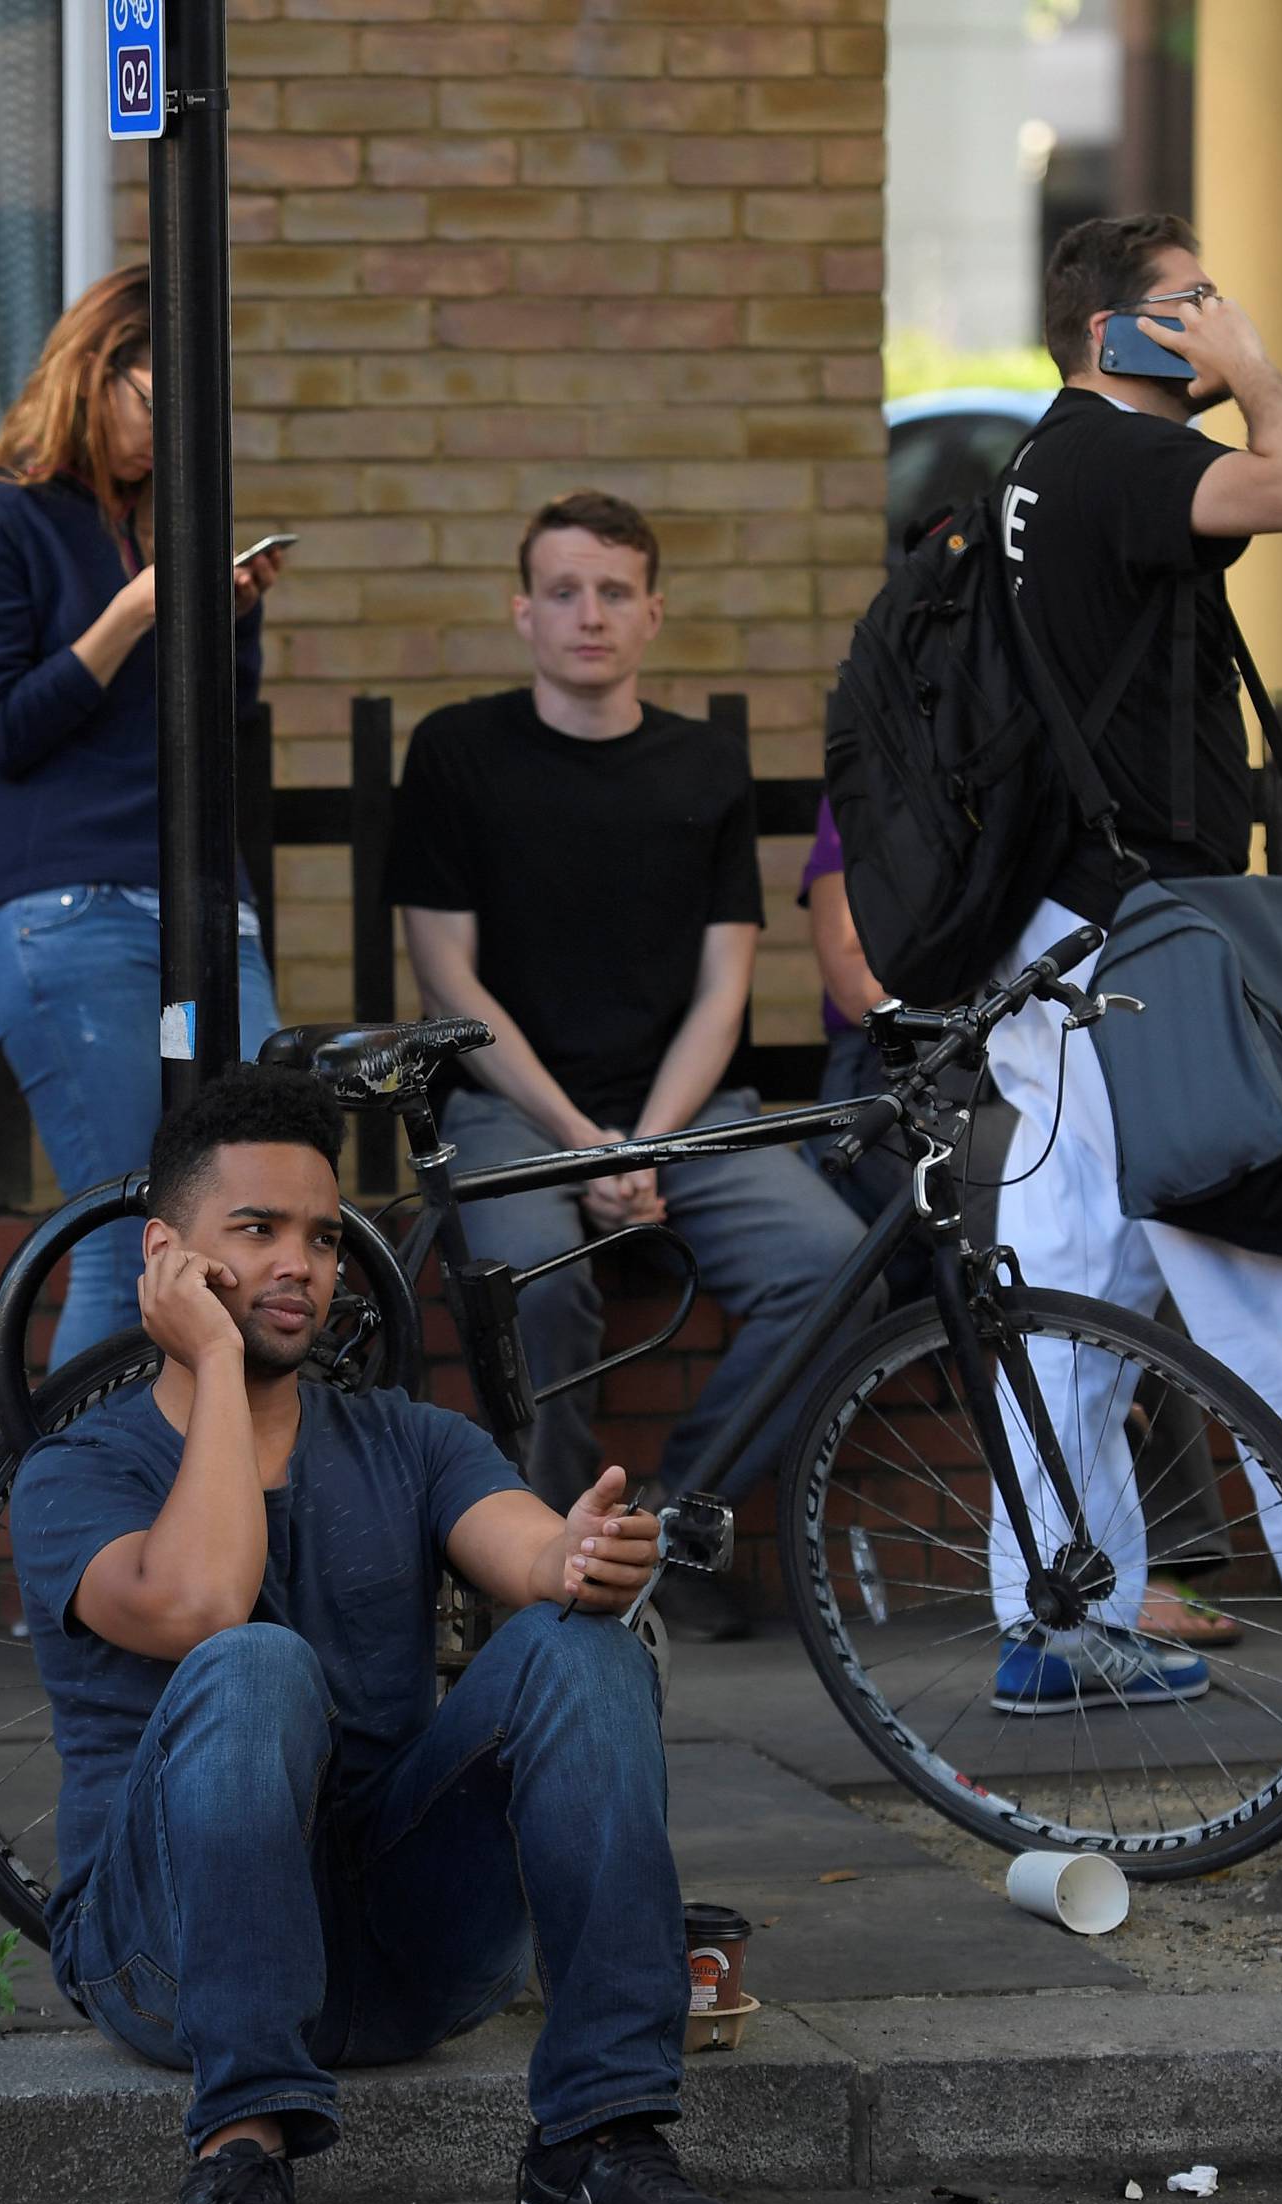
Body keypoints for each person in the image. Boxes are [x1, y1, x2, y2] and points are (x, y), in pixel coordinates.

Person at [9, 1064, 753, 2204]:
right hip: (167, 1956)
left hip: (404, 1949)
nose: (301, 1263)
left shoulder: (410, 1438)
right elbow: (199, 1603)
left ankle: (597, 2141)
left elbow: (525, 1549)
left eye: (320, 1235)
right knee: (252, 1658)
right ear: (167, 1256)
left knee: (581, 1642)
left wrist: (582, 1558)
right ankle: (239, 2146)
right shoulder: (72, 1474)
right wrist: (206, 1364)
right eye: (255, 1231)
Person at [983, 212, 1282, 1711]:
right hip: (1141, 940)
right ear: (1114, 336)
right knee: (1268, 1277)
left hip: (1063, 935)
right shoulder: (1120, 454)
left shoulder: (1034, 468)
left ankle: (1057, 1615)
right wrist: (1262, 367)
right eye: (1189, 304)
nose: (1214, 320)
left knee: (1075, 1274)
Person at [385, 489, 882, 1635]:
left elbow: (727, 986)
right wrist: (586, 1140)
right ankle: (548, 1559)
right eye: (564, 592)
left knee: (836, 1266)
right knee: (531, 1282)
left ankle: (662, 1526)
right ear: (523, 612)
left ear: (654, 613)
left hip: (691, 1113)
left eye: (615, 592)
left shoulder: (704, 766)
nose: (589, 614)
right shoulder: (458, 753)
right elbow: (448, 982)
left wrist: (648, 1142)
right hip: (511, 1110)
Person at [0, 265, 285, 1369]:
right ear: (94, 373)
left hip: (207, 912)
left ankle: (218, 1508)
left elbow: (218, 736)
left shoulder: (166, 524)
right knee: (138, 1238)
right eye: (151, 401)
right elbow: (3, 726)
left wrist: (230, 620)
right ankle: (76, 1511)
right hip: (72, 918)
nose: (169, 434)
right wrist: (130, 615)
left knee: (258, 1218)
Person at [799, 795, 1239, 1651]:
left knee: (1138, 1192)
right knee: (1065, 1213)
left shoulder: (1046, 796)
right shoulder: (881, 782)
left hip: (1022, 1055)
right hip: (914, 1070)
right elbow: (855, 975)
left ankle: (1138, 1555)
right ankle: (1097, 1564)